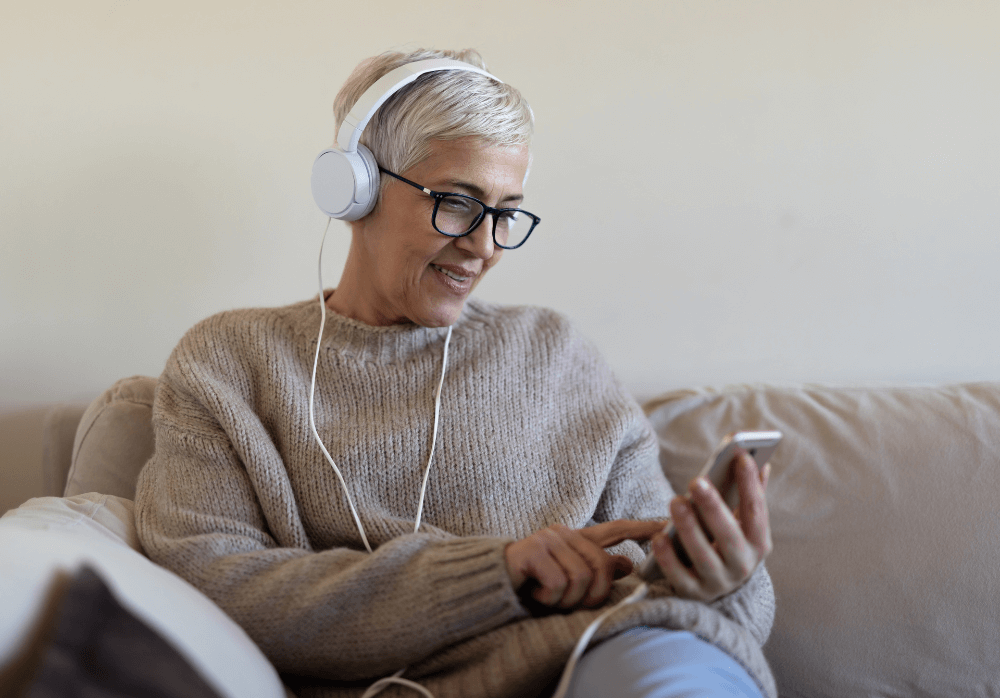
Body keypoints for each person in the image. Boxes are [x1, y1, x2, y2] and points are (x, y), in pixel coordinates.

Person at [134, 48, 776, 698]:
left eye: (505, 212)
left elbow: (660, 566)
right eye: (457, 203)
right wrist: (496, 572)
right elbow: (212, 582)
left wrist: (726, 579)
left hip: (615, 660)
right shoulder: (231, 362)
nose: (485, 245)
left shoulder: (555, 351)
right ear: (356, 188)